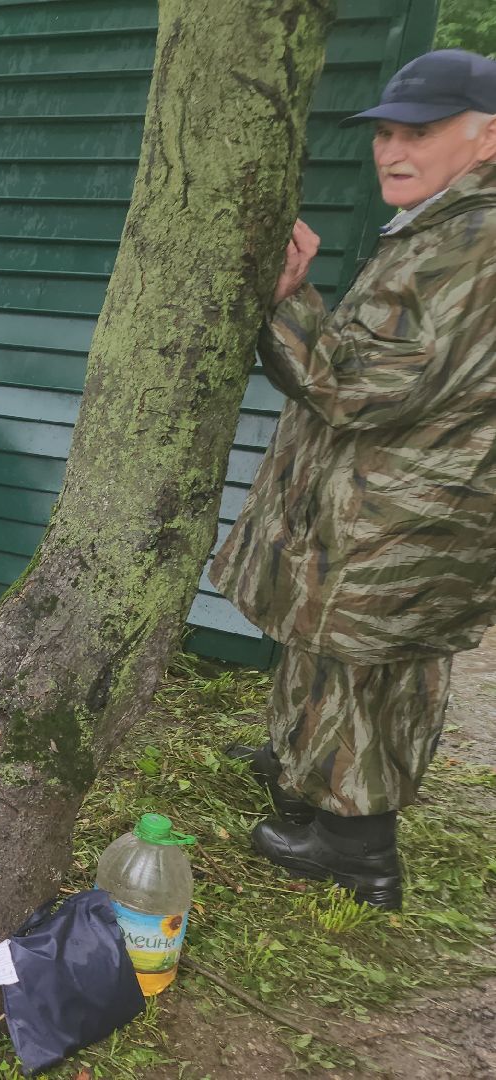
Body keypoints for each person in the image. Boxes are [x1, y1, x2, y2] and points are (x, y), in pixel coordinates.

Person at [210, 49, 496, 910]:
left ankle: (354, 849)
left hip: (408, 508)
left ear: (488, 137)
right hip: (385, 496)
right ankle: (304, 770)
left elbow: (367, 385)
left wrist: (289, 297)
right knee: (328, 647)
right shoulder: (446, 224)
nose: (393, 150)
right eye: (387, 133)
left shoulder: (474, 241)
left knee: (365, 670)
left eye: (423, 131)